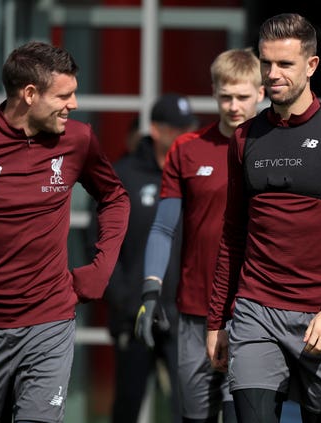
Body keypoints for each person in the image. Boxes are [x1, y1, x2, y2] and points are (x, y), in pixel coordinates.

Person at [204, 13, 321, 423]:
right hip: (255, 312)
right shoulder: (245, 138)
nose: (272, 74)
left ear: (311, 66)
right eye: (267, 63)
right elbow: (232, 235)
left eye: (285, 64)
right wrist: (217, 319)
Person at [0, 41, 130, 422]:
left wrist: (100, 268)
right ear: (29, 94)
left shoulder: (78, 140)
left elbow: (115, 198)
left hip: (50, 322)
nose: (73, 105)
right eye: (64, 95)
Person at [134, 48, 265, 423]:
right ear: (214, 92)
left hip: (254, 310)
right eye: (226, 96)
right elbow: (163, 226)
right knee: (194, 416)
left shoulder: (274, 151)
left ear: (260, 92)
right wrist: (151, 288)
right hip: (195, 308)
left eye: (242, 96)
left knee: (243, 413)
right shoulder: (187, 149)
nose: (234, 105)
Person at [96, 93, 198, 423]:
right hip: (134, 313)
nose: (183, 135)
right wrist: (123, 298)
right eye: (175, 128)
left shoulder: (197, 176)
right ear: (155, 129)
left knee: (189, 406)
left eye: (188, 128)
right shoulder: (124, 174)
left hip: (181, 313)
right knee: (128, 402)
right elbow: (100, 240)